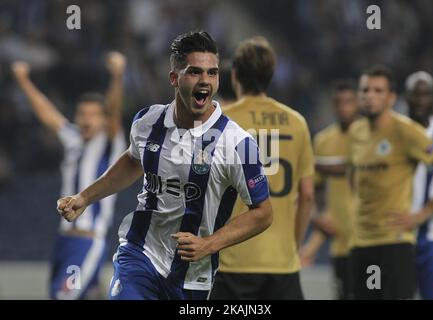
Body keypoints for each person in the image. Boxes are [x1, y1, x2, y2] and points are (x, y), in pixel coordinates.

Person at [56, 31, 273, 300]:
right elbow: (134, 161)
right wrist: (85, 197)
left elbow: (263, 212)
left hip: (193, 275)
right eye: (194, 72)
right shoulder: (148, 121)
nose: (205, 81)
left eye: (212, 73)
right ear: (174, 77)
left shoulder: (239, 144)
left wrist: (209, 244)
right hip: (139, 254)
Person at [11, 52, 127, 300]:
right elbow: (48, 115)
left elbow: (115, 113)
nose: (86, 119)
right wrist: (23, 80)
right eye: (82, 114)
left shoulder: (109, 142)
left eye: (93, 115)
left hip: (87, 241)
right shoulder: (73, 138)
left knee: (63, 297)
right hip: (64, 240)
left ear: (103, 119)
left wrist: (117, 76)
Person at [210, 36, 314, 300]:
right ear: (271, 75)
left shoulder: (223, 122)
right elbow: (308, 195)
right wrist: (294, 247)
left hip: (233, 260)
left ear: (235, 76)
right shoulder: (297, 122)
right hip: (282, 263)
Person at [348, 65, 433, 300]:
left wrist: (423, 213)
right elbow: (353, 173)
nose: (369, 96)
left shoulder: (406, 131)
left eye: (377, 90)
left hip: (394, 242)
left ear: (391, 97)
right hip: (361, 242)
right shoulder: (355, 132)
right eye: (365, 90)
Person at [301, 80, 358, 300]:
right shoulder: (323, 140)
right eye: (339, 102)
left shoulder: (369, 136)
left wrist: (312, 163)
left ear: (358, 104)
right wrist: (316, 218)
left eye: (349, 102)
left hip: (370, 240)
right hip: (340, 244)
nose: (344, 107)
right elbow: (310, 191)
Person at [406, 71, 433, 299]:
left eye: (426, 94)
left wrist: (426, 212)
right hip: (398, 236)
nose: (420, 100)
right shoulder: (396, 131)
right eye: (415, 94)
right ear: (406, 97)